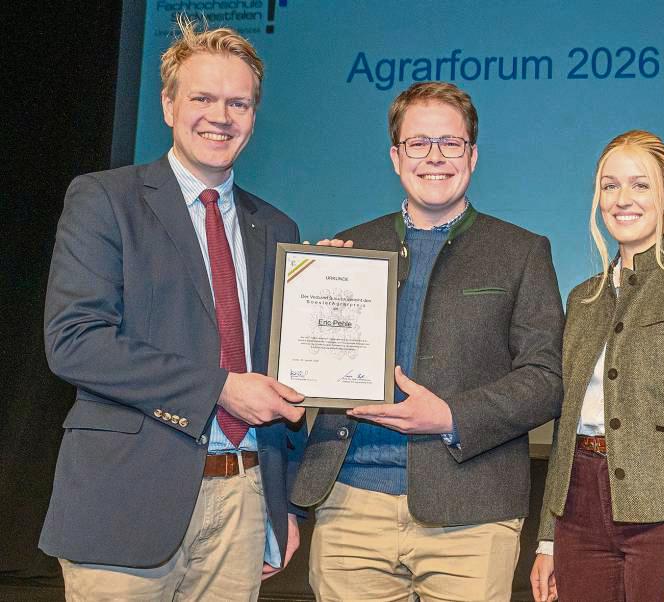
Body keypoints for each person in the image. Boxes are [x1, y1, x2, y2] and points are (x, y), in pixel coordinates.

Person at [40, 16, 307, 600]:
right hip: (125, 499)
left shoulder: (277, 228)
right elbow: (76, 341)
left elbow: (281, 371)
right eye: (202, 98)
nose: (220, 116)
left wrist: (281, 503)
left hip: (243, 502)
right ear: (167, 105)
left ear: (253, 116)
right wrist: (219, 389)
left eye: (238, 103)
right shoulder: (105, 199)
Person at [291, 81, 565, 601]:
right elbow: (306, 369)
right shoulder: (351, 247)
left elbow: (545, 381)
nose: (434, 157)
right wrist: (316, 294)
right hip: (350, 506)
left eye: (450, 143)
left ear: (472, 156)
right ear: (396, 156)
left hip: (471, 514)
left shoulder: (522, 251)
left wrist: (450, 417)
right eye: (418, 143)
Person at [530, 130, 664, 602]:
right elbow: (567, 425)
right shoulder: (582, 299)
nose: (622, 199)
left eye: (640, 184)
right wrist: (548, 537)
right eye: (610, 186)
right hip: (578, 512)